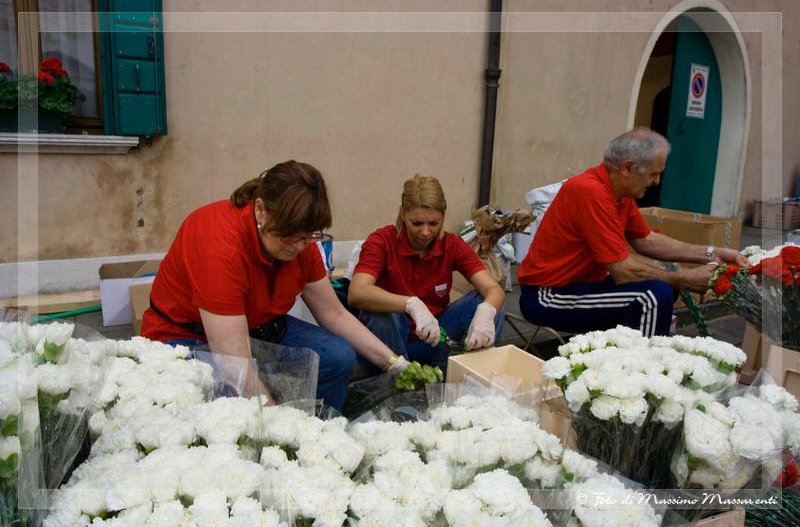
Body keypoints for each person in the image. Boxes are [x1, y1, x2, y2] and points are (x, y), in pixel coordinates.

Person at [140, 161, 408, 410]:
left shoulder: (301, 239)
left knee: (338, 357)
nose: (299, 246)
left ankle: (321, 422)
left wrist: (393, 362)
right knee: (224, 402)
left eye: (308, 236)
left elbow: (333, 313)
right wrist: (273, 421)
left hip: (258, 327)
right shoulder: (218, 243)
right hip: (186, 337)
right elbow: (234, 362)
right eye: (290, 237)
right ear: (260, 210)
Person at [517, 128, 750, 337]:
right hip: (548, 296)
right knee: (651, 297)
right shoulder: (590, 192)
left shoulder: (619, 192)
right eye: (653, 174)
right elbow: (623, 271)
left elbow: (646, 240)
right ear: (627, 168)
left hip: (584, 286)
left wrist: (712, 253)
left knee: (664, 288)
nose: (657, 181)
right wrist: (685, 278)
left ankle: (619, 355)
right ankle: (638, 367)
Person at [348, 175, 506, 370]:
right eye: (417, 223)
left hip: (432, 338)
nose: (425, 232)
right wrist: (410, 304)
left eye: (433, 223)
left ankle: (474, 374)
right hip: (388, 346)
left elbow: (493, 289)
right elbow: (357, 292)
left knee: (488, 303)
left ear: (443, 216)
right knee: (377, 312)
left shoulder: (451, 245)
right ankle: (400, 380)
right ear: (403, 214)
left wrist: (486, 312)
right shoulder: (382, 241)